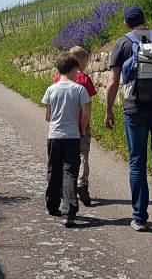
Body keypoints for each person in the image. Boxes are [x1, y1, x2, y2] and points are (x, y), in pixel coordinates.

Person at [105, 4, 152, 231]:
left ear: (126, 24)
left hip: (134, 108)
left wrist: (109, 110)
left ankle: (139, 217)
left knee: (137, 161)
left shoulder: (122, 43)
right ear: (145, 19)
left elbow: (112, 82)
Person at [42, 52, 92, 227]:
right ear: (73, 70)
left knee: (54, 170)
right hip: (72, 136)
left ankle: (52, 204)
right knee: (70, 172)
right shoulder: (80, 89)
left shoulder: (51, 89)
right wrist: (81, 129)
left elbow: (47, 116)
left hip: (54, 135)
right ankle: (69, 213)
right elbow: (85, 114)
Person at [53, 45, 97, 206]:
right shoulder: (84, 79)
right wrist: (84, 127)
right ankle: (81, 183)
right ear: (80, 63)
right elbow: (88, 106)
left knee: (65, 158)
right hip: (81, 124)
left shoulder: (58, 78)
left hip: (63, 124)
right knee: (83, 154)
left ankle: (64, 186)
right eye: (84, 65)